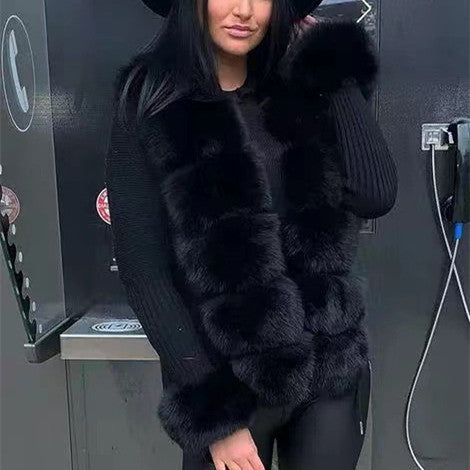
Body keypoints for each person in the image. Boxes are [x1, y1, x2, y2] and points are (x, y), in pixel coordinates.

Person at [105, 0, 398, 468]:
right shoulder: (150, 103)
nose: (244, 10)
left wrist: (333, 67)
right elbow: (144, 273)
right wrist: (216, 417)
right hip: (230, 381)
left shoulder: (299, 89)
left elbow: (374, 194)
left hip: (328, 368)